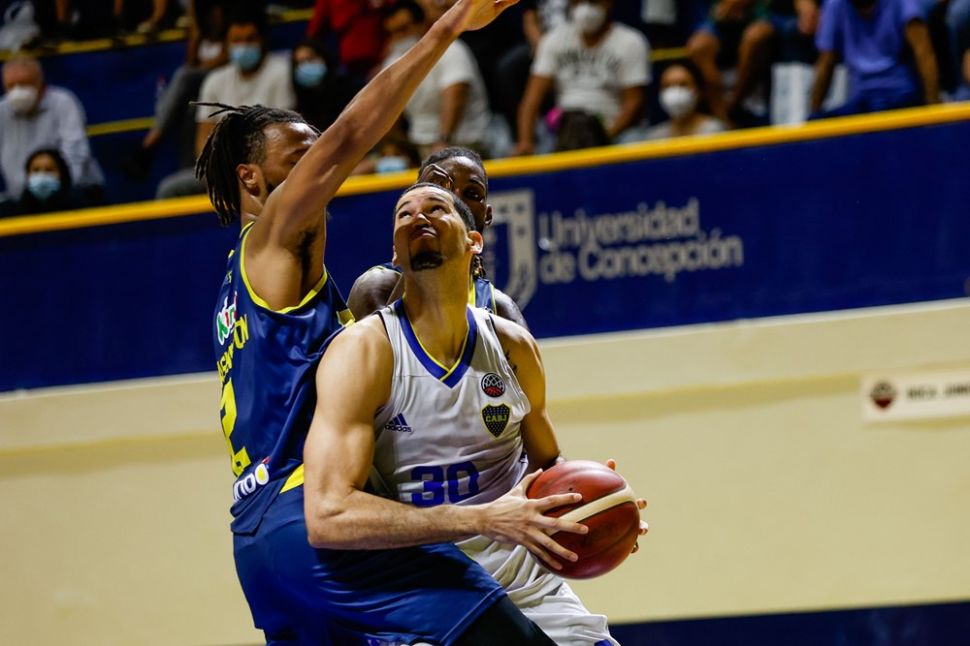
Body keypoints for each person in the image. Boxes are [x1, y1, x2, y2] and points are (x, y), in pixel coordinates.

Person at [197, 1, 575, 642]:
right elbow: (351, 135)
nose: (321, 172)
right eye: (301, 160)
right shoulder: (271, 242)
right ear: (251, 179)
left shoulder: (246, 288)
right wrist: (448, 28)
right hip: (309, 520)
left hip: (257, 540)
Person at [305, 181, 648, 645]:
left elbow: (548, 466)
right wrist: (483, 519)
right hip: (425, 595)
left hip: (526, 588)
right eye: (404, 213)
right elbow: (328, 516)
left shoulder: (513, 346)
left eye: (435, 208)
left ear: (474, 241)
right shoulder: (364, 350)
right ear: (395, 252)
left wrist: (594, 507)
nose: (417, 216)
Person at [347, 146, 529, 328]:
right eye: (439, 189)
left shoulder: (501, 309)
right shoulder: (376, 285)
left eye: (472, 194)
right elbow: (385, 341)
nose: (455, 201)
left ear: (487, 216)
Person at [158, 4, 295, 198]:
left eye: (250, 39)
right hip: (223, 172)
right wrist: (216, 175)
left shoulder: (281, 72)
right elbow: (204, 140)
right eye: (237, 41)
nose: (243, 46)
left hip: (266, 169)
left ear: (262, 39)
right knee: (170, 189)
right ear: (227, 43)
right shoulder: (214, 80)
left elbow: (282, 137)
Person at [516, 0, 651, 155]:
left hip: (613, 131)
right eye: (578, 1)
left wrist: (599, 138)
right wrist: (525, 141)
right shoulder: (554, 40)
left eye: (593, 1)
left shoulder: (631, 42)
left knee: (635, 142)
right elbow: (531, 99)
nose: (586, 8)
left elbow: (633, 103)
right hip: (566, 130)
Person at [382, 0, 493, 157]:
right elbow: (388, 109)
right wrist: (393, 147)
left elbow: (456, 96)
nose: (399, 37)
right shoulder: (393, 61)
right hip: (420, 145)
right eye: (393, 33)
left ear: (422, 25)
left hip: (465, 144)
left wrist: (444, 140)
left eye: (404, 29)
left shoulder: (452, 50)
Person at [0, 55, 104, 204]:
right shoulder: (2, 110)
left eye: (24, 84)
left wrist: (59, 189)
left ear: (40, 83)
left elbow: (76, 151)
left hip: (74, 192)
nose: (18, 91)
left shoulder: (63, 102)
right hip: (22, 200)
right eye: (11, 86)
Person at [810, 0, 940, 118]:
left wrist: (933, 106)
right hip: (861, 103)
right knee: (817, 120)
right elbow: (825, 63)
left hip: (902, 98)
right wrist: (814, 113)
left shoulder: (902, 3)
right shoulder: (835, 5)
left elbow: (924, 54)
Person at [686, 0, 775, 125]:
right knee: (699, 46)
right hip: (717, 17)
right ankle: (722, 119)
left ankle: (734, 104)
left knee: (756, 36)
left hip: (758, 12)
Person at [290, 38, 361, 133]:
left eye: (310, 59)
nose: (305, 66)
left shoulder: (349, 88)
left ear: (324, 58)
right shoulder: (301, 104)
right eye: (300, 63)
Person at [0, 148, 92, 217]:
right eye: (36, 170)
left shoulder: (79, 208)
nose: (42, 175)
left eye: (49, 170)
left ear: (62, 175)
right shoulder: (12, 212)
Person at [646, 61, 727, 139]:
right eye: (667, 85)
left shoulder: (715, 131)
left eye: (683, 84)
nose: (675, 92)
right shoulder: (656, 137)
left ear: (699, 91)